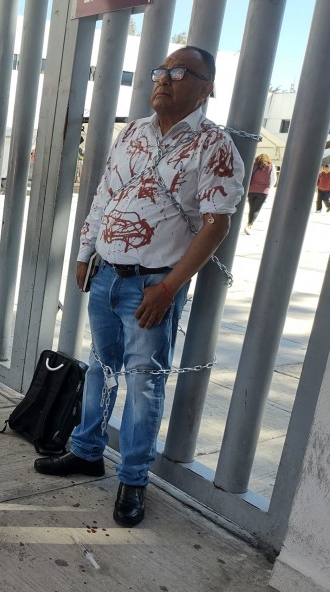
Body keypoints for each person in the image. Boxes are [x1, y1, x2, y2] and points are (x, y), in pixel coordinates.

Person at [34, 47, 245, 527]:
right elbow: (104, 193)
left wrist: (169, 288)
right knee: (100, 367)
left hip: (152, 287)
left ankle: (132, 479)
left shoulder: (214, 145)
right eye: (161, 71)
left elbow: (216, 226)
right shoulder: (134, 131)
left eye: (180, 72)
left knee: (144, 385)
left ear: (207, 87)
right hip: (107, 272)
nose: (165, 80)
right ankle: (86, 450)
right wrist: (86, 251)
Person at [243, 153, 276, 234]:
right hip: (263, 191)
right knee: (256, 209)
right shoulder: (271, 165)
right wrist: (268, 187)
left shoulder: (253, 165)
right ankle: (249, 225)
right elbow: (273, 179)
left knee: (251, 209)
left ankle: (249, 224)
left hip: (251, 190)